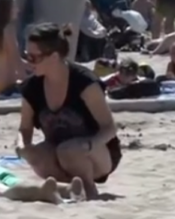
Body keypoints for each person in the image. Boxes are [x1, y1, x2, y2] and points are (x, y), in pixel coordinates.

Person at [18, 23, 121, 200]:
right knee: (37, 154)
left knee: (69, 150)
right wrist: (22, 147)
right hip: (58, 152)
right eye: (26, 55)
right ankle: (68, 189)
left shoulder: (84, 83)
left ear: (54, 57)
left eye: (34, 57)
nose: (28, 62)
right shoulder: (32, 86)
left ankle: (89, 189)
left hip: (97, 154)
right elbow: (25, 128)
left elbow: (110, 128)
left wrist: (88, 145)